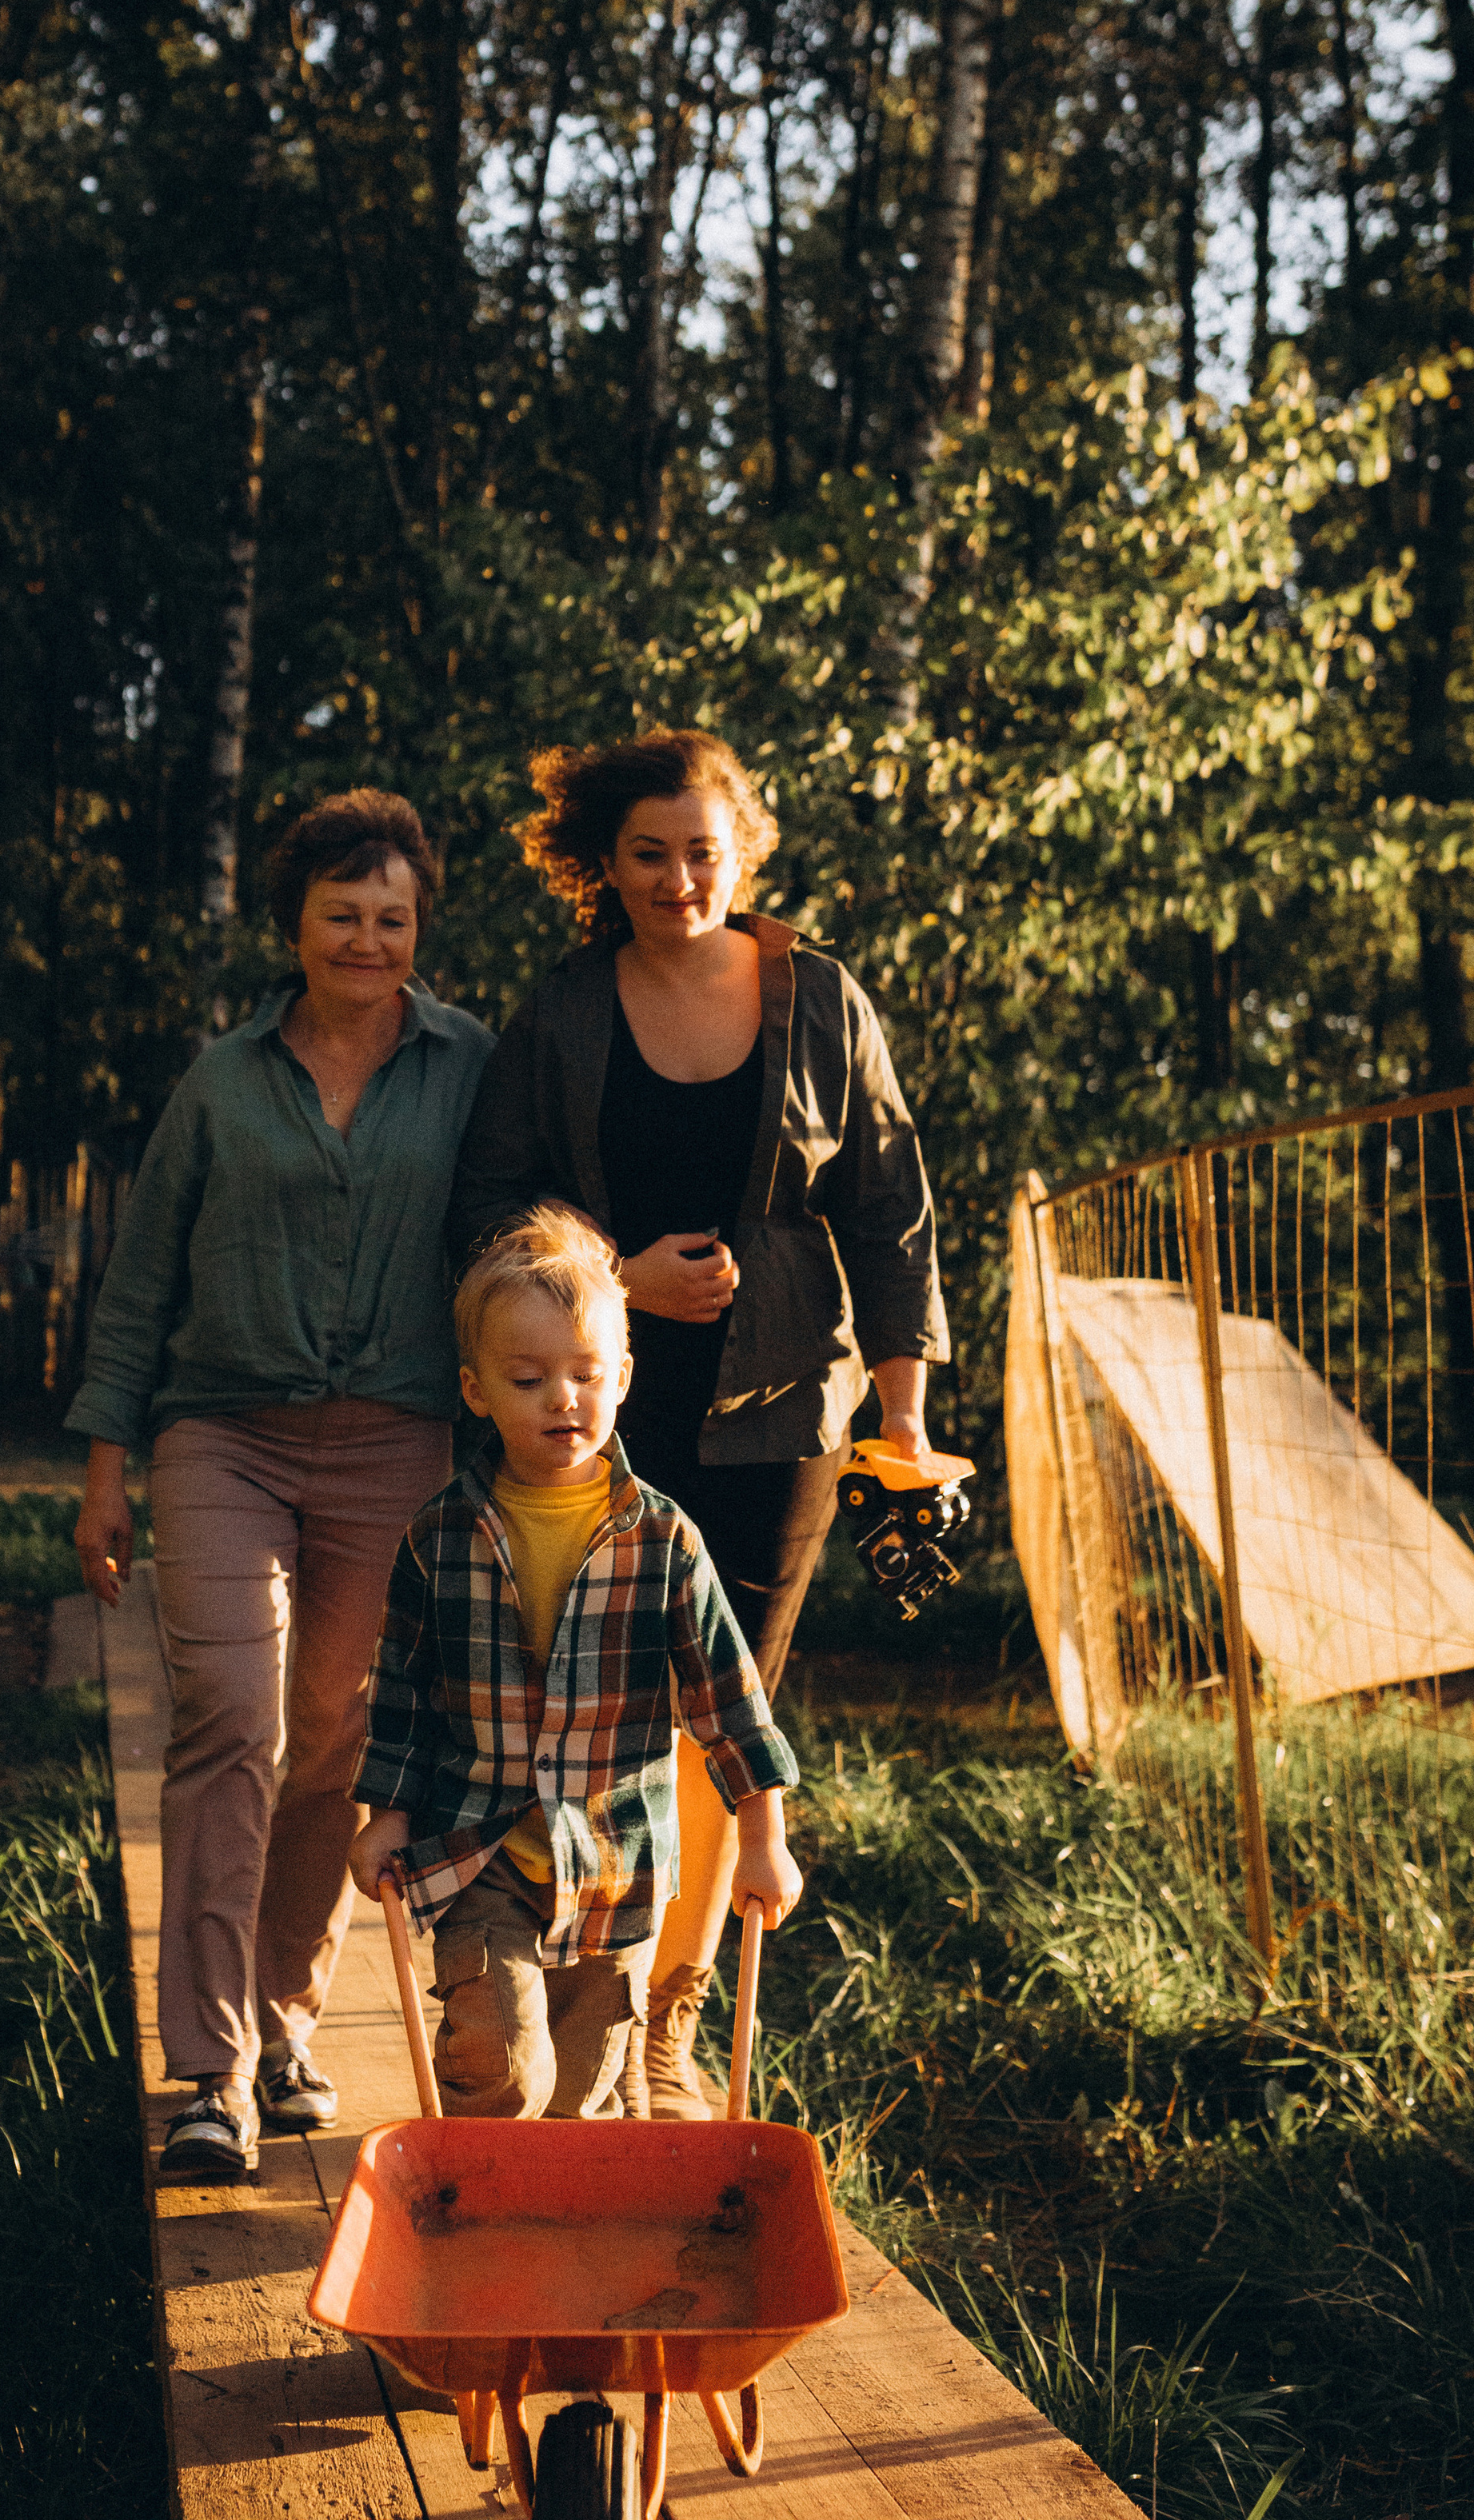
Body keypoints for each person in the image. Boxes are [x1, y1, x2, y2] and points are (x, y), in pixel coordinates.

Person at [450, 730, 947, 2117]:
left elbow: (891, 1210)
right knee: (603, 1721)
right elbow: (486, 1204)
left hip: (784, 1415)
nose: (680, 880)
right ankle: (573, 1999)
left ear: (748, 854)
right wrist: (616, 1278)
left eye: (704, 853)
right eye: (650, 855)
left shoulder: (822, 999)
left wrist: (902, 1421)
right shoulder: (562, 1013)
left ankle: (668, 2029)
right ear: (605, 865)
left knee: (725, 1725)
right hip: (591, 1417)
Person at [69, 789, 494, 2180]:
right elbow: (140, 1284)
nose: (367, 941)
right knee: (228, 1726)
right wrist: (105, 1472)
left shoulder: (469, 1068)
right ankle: (209, 2074)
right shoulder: (221, 1081)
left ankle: (285, 2018)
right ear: (295, 924)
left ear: (418, 928)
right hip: (223, 1437)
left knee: (333, 1739)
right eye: (341, 915)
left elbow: (515, 1239)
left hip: (396, 1446)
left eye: (392, 918)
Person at [348, 1206, 801, 2118]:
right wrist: (385, 1815)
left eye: (586, 1375)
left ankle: (566, 2238)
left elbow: (728, 1700)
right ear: (476, 1391)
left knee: (583, 2101)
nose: (563, 1398)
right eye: (530, 1378)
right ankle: (481, 2222)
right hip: (478, 1854)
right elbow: (403, 1694)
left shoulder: (664, 1538)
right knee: (501, 2069)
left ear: (623, 1378)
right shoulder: (439, 1536)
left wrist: (763, 1836)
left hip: (616, 1866)